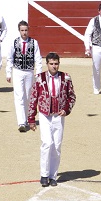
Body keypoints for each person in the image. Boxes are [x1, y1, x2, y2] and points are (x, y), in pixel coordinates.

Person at [28, 53, 76, 187]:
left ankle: (53, 175)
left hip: (58, 116)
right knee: (47, 143)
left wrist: (66, 109)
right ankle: (44, 174)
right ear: (47, 64)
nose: (54, 66)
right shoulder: (39, 78)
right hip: (44, 115)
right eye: (51, 64)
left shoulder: (65, 77)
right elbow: (33, 98)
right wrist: (31, 119)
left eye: (56, 64)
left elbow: (71, 96)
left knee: (56, 146)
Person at [6, 20, 42, 132]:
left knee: (28, 96)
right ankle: (21, 122)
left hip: (29, 71)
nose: (24, 32)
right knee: (19, 96)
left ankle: (26, 119)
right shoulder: (14, 42)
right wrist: (8, 72)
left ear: (28, 30)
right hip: (17, 71)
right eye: (22, 30)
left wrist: (39, 72)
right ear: (19, 31)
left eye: (26, 30)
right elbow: (10, 58)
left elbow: (38, 58)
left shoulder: (34, 42)